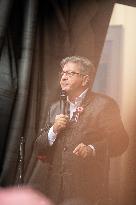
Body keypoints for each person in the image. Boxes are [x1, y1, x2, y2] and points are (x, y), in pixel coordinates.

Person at [35, 56, 129, 205]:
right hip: (54, 192)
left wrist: (92, 149)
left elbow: (121, 143)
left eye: (70, 73)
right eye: (63, 73)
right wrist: (54, 129)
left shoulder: (105, 105)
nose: (63, 77)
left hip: (88, 191)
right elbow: (39, 149)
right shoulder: (54, 108)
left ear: (85, 80)